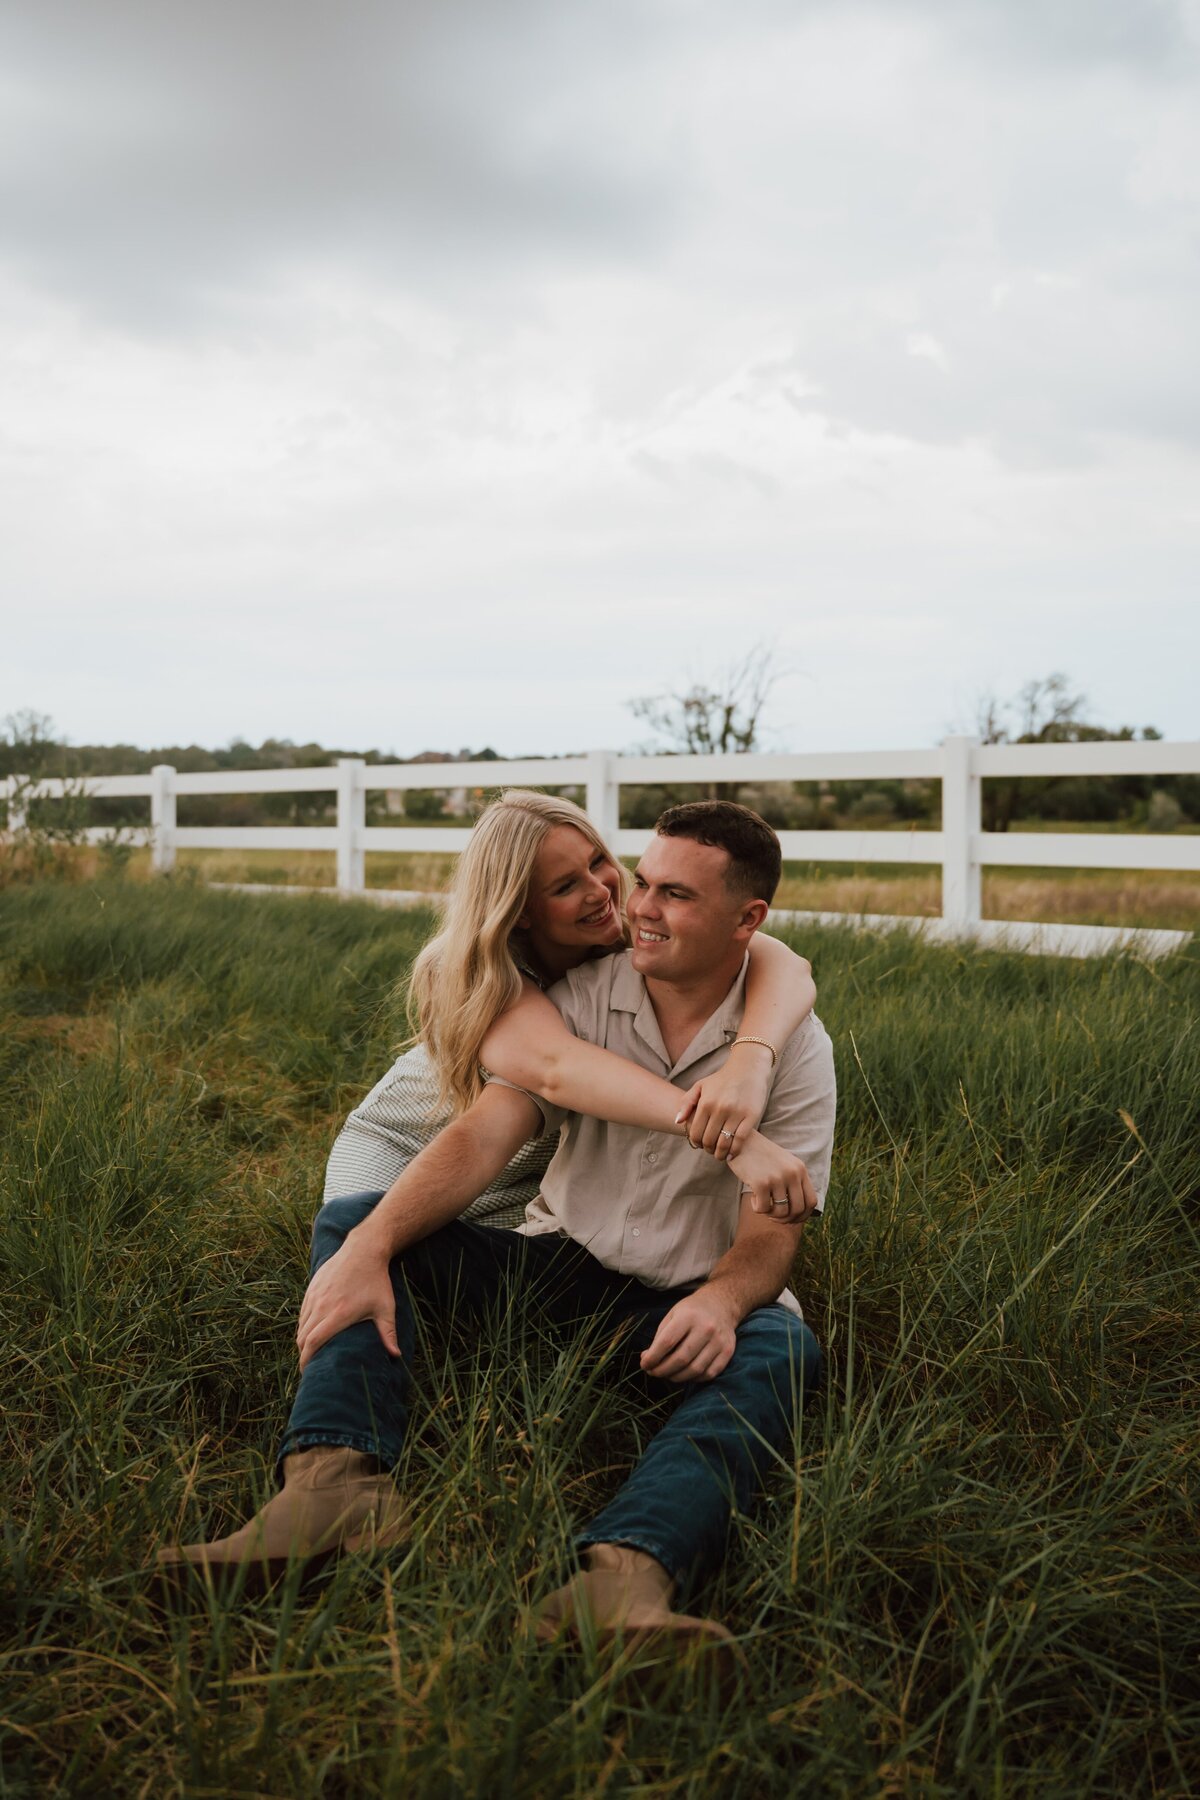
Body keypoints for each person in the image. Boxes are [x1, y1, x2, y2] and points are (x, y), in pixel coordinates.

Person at [157, 793, 822, 1604]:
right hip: (441, 1171)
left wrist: (721, 1300)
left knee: (781, 1347)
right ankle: (334, 1486)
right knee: (358, 1228)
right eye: (636, 882)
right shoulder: (537, 995)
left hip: (655, 1287)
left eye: (661, 889)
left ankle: (625, 1582)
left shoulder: (784, 1033)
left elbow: (772, 1224)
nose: (628, 901)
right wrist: (367, 1244)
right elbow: (498, 1119)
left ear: (743, 918)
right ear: (515, 913)